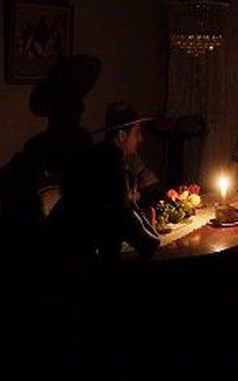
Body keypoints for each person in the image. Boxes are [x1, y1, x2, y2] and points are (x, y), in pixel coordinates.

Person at [47, 101, 162, 264]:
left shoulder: (106, 155)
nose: (141, 139)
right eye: (137, 133)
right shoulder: (109, 163)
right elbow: (121, 214)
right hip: (72, 254)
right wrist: (150, 243)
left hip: (74, 246)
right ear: (122, 135)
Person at [0, 55, 99, 231]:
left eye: (78, 104)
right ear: (58, 111)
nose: (81, 110)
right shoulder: (38, 147)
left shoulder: (82, 139)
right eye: (74, 105)